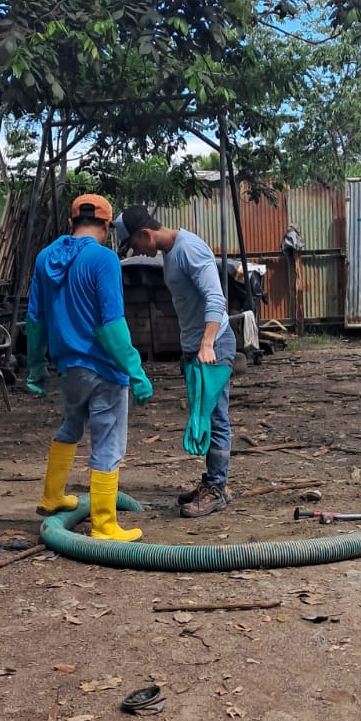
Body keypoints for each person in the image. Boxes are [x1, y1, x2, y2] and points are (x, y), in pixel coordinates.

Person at [26, 193, 153, 543]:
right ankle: (104, 524)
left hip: (67, 367)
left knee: (71, 426)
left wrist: (36, 366)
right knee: (108, 442)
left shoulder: (45, 258)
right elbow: (111, 325)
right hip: (103, 369)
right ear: (107, 226)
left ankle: (52, 496)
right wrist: (136, 371)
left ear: (71, 223)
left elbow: (35, 319)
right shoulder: (104, 259)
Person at [114, 205, 236, 517]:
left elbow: (215, 298)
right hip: (195, 348)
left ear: (146, 234)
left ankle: (217, 489)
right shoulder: (170, 253)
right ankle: (213, 480)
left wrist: (206, 344)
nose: (137, 252)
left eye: (135, 245)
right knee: (202, 416)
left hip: (214, 345)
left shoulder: (189, 249)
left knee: (214, 416)